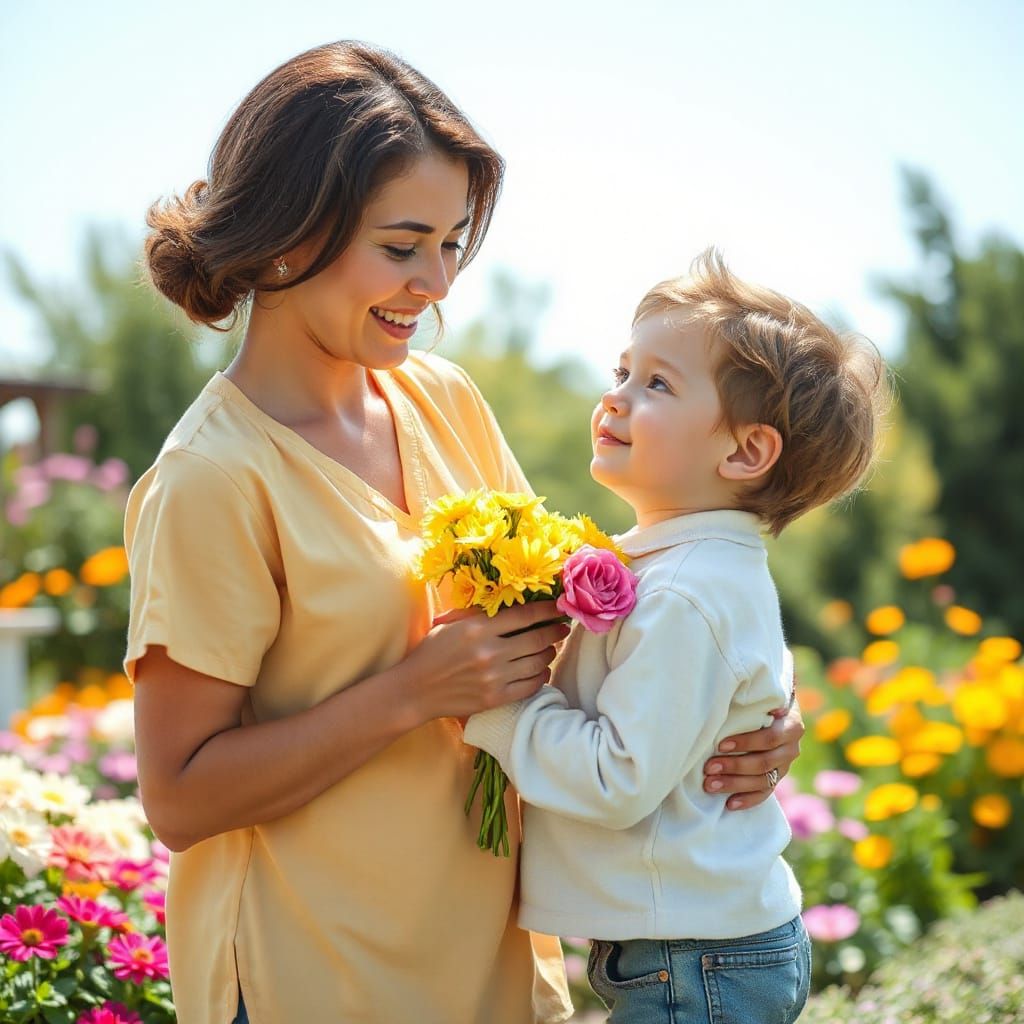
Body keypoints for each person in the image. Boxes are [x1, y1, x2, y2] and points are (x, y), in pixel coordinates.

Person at [127, 42, 806, 1024]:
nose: (437, 281)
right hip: (311, 980)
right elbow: (180, 797)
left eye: (450, 244)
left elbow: (596, 623)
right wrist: (412, 693)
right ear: (286, 237)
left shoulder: (442, 399)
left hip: (489, 974)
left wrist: (749, 705)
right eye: (403, 246)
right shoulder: (211, 477)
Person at [464, 250, 888, 1024]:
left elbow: (618, 777)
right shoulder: (693, 569)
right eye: (622, 371)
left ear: (745, 452)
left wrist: (498, 708)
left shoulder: (687, 592)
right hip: (694, 949)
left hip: (693, 961)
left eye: (656, 384)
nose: (615, 396)